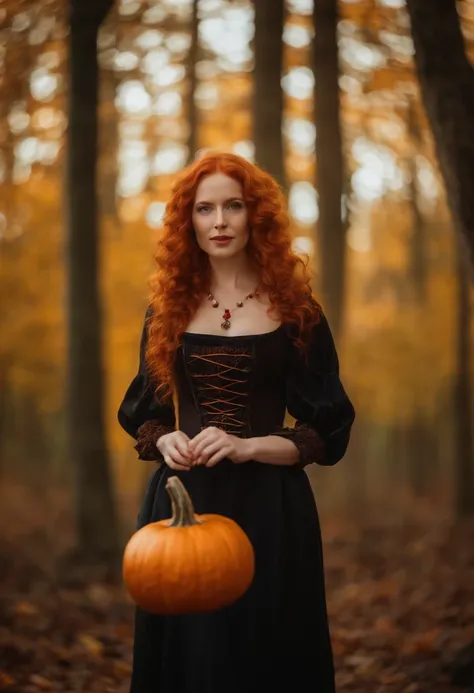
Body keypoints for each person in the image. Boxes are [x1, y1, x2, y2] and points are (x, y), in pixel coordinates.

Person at [118, 151, 355, 693]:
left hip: (271, 508)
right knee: (190, 662)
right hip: (182, 506)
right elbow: (147, 416)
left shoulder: (297, 310)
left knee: (266, 657)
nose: (220, 221)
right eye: (205, 209)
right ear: (189, 221)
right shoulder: (168, 310)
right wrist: (167, 439)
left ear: (257, 217)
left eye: (234, 206)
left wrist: (250, 447)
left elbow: (327, 427)